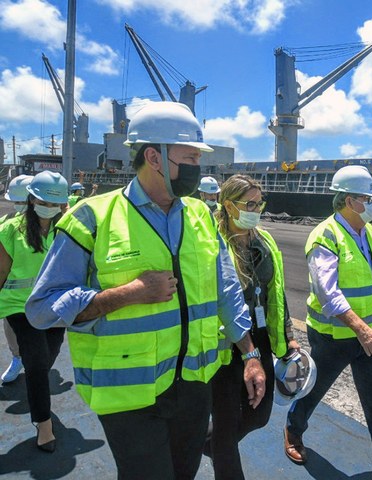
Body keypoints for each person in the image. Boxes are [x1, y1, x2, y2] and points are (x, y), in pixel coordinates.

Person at [25, 101, 266, 479]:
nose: (197, 168)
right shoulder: (92, 218)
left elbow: (227, 290)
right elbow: (41, 310)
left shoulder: (201, 216)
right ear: (154, 157)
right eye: (189, 157)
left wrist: (250, 353)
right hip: (128, 394)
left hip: (192, 386)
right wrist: (129, 293)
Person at [284, 165, 372, 480]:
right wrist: (360, 327)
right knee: (315, 388)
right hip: (335, 336)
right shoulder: (325, 236)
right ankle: (293, 429)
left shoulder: (367, 231)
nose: (371, 203)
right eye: (366, 198)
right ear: (346, 200)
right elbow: (327, 292)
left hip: (367, 332)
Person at [208, 174, 301, 480]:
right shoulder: (213, 244)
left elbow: (277, 292)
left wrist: (287, 334)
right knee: (225, 423)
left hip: (259, 339)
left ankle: (202, 440)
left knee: (258, 415)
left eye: (259, 202)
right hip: (225, 343)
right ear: (229, 205)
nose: (256, 208)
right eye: (249, 203)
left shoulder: (264, 239)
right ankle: (220, 448)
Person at [0, 170, 69, 452]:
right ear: (31, 200)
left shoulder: (67, 228)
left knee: (48, 356)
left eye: (55, 204)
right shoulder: (10, 230)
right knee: (38, 361)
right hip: (19, 307)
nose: (49, 209)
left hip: (55, 306)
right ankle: (44, 425)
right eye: (44, 202)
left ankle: (35, 385)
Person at [0, 174, 33, 384]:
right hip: (12, 297)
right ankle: (17, 358)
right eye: (17, 201)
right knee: (12, 333)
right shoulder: (4, 223)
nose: (20, 206)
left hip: (39, 297)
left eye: (24, 201)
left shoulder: (47, 226)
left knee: (43, 345)